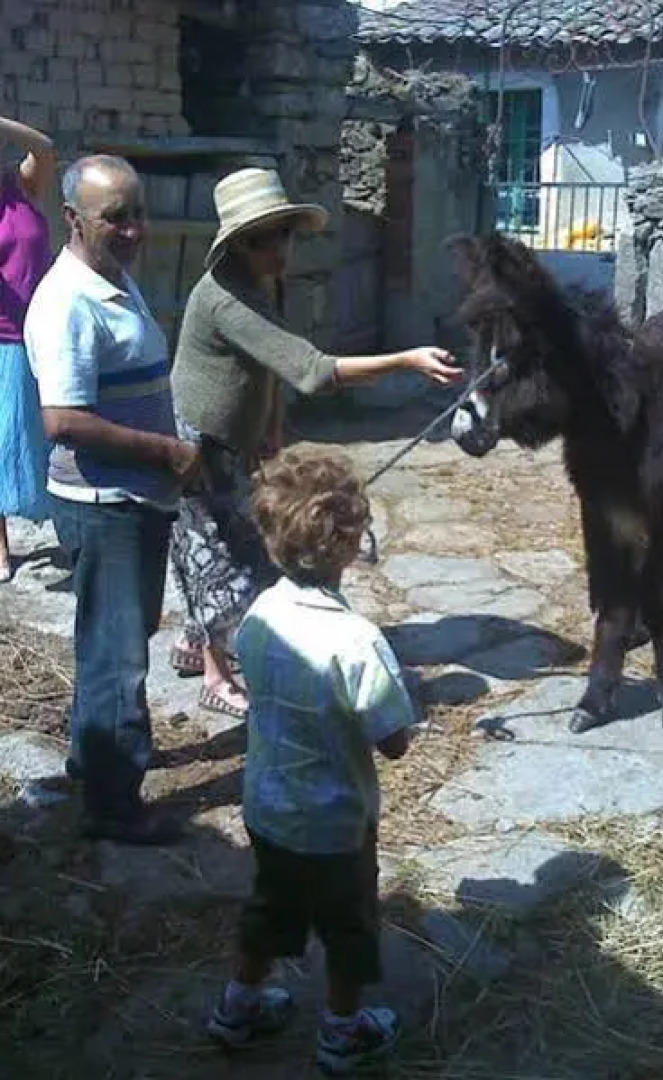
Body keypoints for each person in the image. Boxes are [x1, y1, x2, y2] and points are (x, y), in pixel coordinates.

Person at [169, 165, 462, 719]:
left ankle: (194, 641)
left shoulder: (264, 279)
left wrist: (271, 426)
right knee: (216, 552)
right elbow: (310, 369)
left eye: (283, 233)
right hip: (199, 438)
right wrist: (406, 359)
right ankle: (214, 672)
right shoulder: (225, 298)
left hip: (241, 432)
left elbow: (269, 368)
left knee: (236, 541)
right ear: (236, 245)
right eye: (262, 240)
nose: (278, 248)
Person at [206, 448, 416, 1075]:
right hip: (337, 824)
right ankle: (342, 1032)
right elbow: (394, 740)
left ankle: (237, 1007)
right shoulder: (358, 641)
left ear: (270, 538)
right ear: (351, 544)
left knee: (270, 908)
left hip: (267, 810)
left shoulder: (259, 617)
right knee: (349, 926)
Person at [24, 155, 202, 845]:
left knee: (111, 639)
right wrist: (167, 452)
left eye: (138, 213)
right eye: (115, 217)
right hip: (105, 500)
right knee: (118, 651)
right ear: (73, 219)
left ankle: (90, 763)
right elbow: (63, 420)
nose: (133, 229)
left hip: (134, 495)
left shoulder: (112, 278)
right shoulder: (67, 301)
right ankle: (115, 804)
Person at [0, 115, 57, 581]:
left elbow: (46, 147)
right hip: (4, 340)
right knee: (2, 442)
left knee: (56, 435)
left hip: (47, 332)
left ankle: (72, 529)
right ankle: (0, 548)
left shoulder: (19, 187)